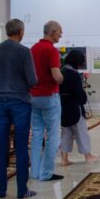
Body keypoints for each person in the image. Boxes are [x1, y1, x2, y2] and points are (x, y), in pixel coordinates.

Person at [0, 19, 38, 199]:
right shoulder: (24, 52)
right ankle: (22, 190)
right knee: (21, 146)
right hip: (20, 102)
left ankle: (1, 190)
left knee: (0, 146)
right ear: (20, 32)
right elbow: (32, 80)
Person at [29, 20, 64, 181]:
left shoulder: (33, 49)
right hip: (49, 95)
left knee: (36, 134)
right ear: (52, 32)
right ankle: (46, 173)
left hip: (34, 95)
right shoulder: (51, 50)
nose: (61, 35)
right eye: (59, 32)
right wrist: (62, 78)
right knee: (53, 135)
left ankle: (35, 172)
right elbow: (56, 76)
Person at [59, 50, 99, 165]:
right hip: (75, 107)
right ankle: (88, 156)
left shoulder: (62, 71)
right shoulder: (74, 74)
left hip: (63, 106)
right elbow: (79, 93)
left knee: (66, 133)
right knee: (82, 132)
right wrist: (83, 100)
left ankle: (64, 159)